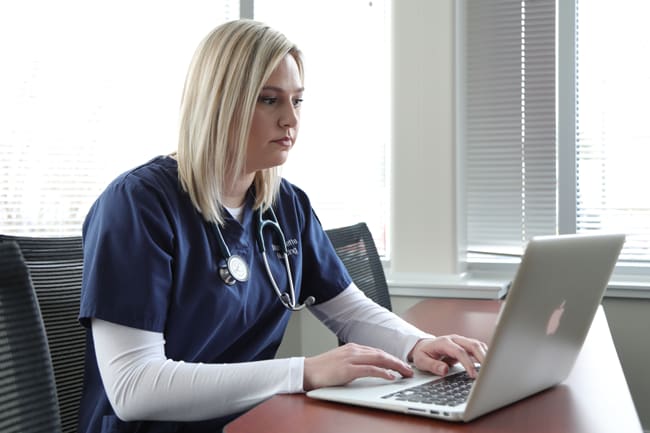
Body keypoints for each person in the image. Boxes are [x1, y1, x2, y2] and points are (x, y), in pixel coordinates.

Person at [77, 19, 488, 433]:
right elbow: (132, 388)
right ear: (218, 102)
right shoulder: (138, 204)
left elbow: (347, 309)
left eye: (298, 101)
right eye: (269, 100)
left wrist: (416, 343)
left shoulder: (285, 204)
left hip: (253, 421)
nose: (290, 119)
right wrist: (303, 372)